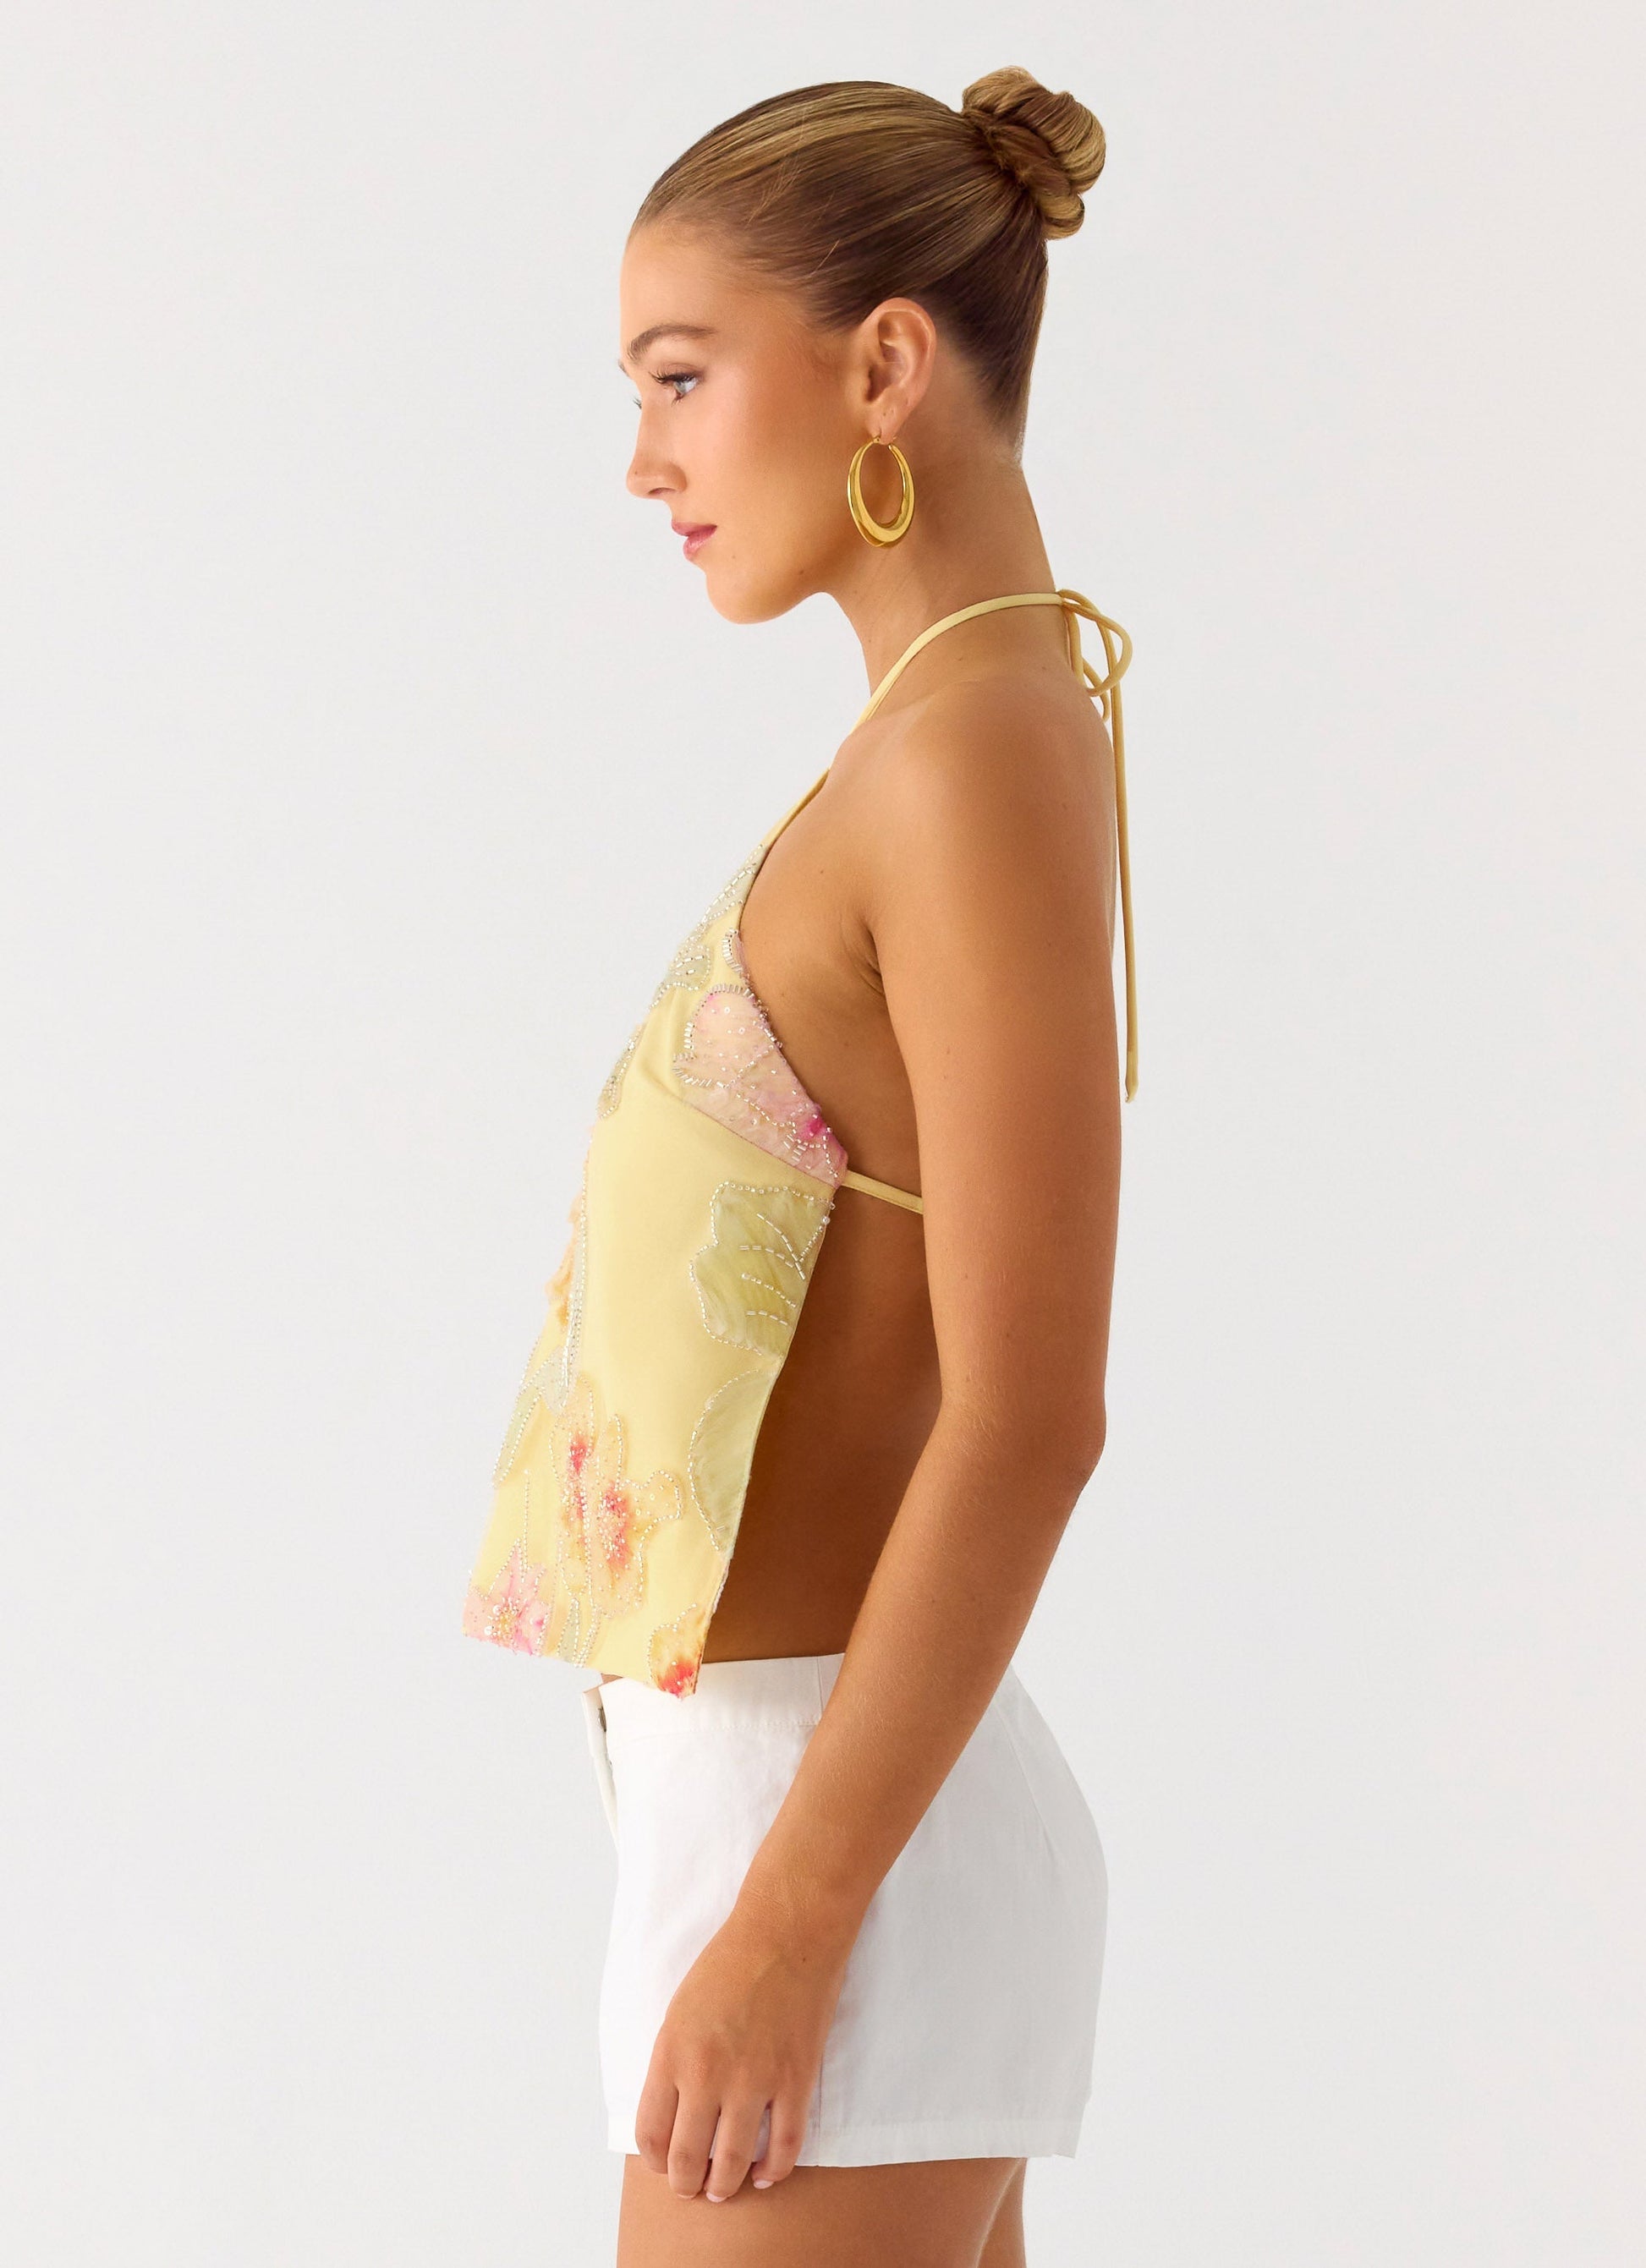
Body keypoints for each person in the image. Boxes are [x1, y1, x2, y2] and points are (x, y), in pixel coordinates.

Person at [464, 66, 1137, 2268]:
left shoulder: (971, 753)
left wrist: (786, 1923)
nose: (643, 459)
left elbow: (1030, 1415)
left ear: (881, 365)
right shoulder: (950, 738)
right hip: (789, 1826)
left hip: (828, 1851)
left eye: (680, 375)